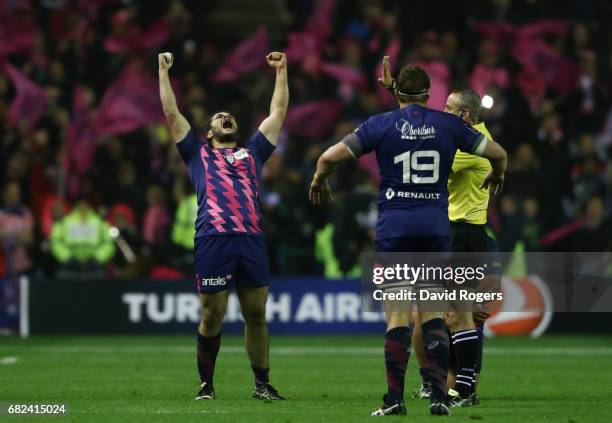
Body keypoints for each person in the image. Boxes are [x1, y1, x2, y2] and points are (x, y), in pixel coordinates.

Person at [309, 57, 507, 416]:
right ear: (431, 95)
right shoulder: (449, 125)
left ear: (396, 92)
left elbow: (328, 157)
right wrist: (499, 172)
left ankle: (394, 400)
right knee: (433, 316)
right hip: (434, 231)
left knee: (399, 317)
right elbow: (498, 152)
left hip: (394, 231)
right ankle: (437, 397)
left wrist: (319, 179)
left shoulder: (380, 124)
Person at [158, 50, 289, 401]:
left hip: (250, 240)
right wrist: (163, 71)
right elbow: (171, 113)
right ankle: (206, 384)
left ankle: (262, 384)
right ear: (209, 131)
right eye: (219, 116)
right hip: (213, 239)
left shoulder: (254, 152)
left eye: (228, 115)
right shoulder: (196, 154)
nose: (225, 117)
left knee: (256, 314)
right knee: (212, 314)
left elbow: (277, 113)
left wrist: (281, 71)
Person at [412, 89, 503, 407]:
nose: (441, 111)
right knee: (427, 315)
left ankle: (464, 388)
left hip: (462, 234)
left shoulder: (471, 142)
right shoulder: (469, 136)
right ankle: (449, 385)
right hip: (450, 233)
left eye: (448, 108)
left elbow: (434, 166)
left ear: (465, 115)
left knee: (457, 316)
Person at [49, 199, 115, 278]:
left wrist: (97, 259)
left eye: (85, 203)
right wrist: (67, 258)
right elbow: (55, 242)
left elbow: (109, 243)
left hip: (95, 268)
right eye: (81, 203)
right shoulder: (64, 222)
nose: (83, 206)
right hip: (69, 268)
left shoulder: (100, 222)